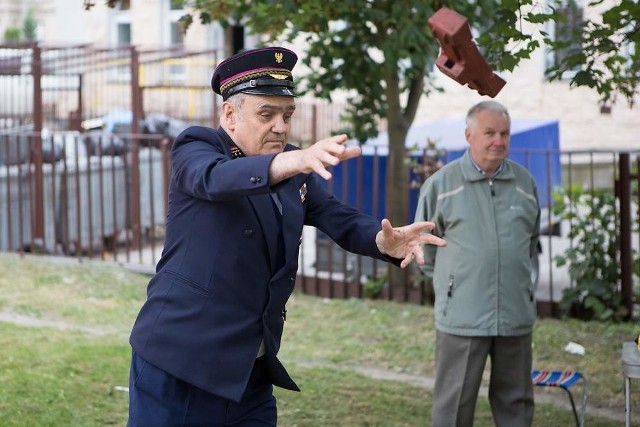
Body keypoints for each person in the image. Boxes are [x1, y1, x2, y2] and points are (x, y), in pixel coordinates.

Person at [126, 46, 446, 426]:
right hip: (181, 364)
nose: (280, 126)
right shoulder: (198, 147)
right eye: (267, 114)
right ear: (229, 114)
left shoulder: (291, 164)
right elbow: (214, 179)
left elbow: (334, 215)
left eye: (287, 115)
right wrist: (293, 160)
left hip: (250, 370)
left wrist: (382, 240)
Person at [415, 100, 540, 427]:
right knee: (453, 407)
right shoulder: (441, 185)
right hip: (462, 316)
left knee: (517, 403)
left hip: (514, 314)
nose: (498, 141)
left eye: (504, 134)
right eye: (489, 133)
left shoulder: (525, 185)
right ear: (469, 135)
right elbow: (423, 252)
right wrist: (454, 286)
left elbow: (530, 244)